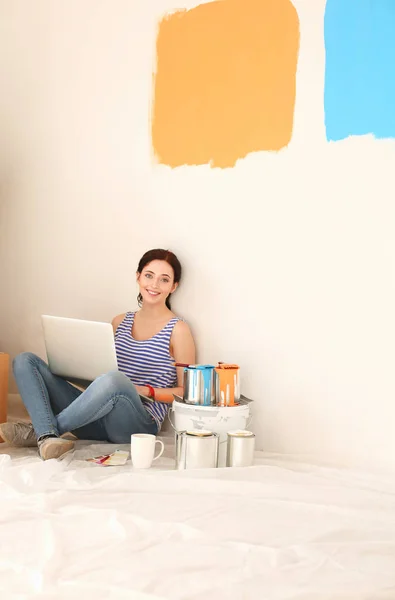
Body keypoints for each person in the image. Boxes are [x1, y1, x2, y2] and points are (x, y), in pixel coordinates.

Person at [0, 249, 196, 460]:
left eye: (164, 280)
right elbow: (102, 373)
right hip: (93, 417)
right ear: (138, 276)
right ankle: (47, 435)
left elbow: (185, 392)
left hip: (136, 425)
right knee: (25, 361)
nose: (154, 285)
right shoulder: (119, 322)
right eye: (149, 275)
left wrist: (146, 390)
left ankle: (42, 430)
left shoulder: (178, 329)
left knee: (115, 380)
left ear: (173, 286)